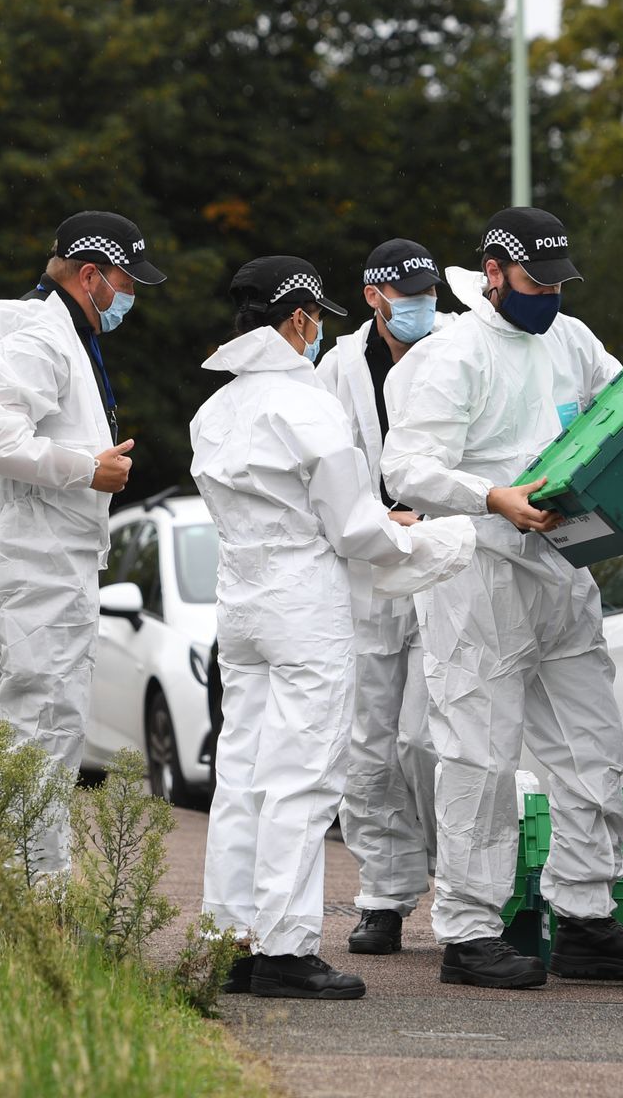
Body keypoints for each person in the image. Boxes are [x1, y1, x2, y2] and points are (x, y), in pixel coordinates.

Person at [381, 207, 623, 988]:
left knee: (593, 749)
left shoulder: (570, 337)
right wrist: (493, 496)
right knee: (478, 759)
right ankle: (469, 932)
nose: (548, 294)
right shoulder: (454, 355)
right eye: (533, 280)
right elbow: (407, 468)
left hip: (559, 568)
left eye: (558, 281)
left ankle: (586, 915)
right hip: (478, 575)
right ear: (493, 272)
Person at [194, 255, 473, 1000]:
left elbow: (284, 509)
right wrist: (423, 538)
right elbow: (352, 531)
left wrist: (370, 524)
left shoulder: (215, 410)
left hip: (242, 604)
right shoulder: (309, 404)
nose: (319, 335)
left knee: (243, 776)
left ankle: (232, 940)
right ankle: (287, 951)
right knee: (304, 779)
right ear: (298, 320)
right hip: (304, 610)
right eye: (315, 320)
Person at [0, 211, 165, 877]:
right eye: (127, 280)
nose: (132, 294)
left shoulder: (60, 337)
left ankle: (33, 882)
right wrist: (89, 468)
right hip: (37, 548)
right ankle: (33, 892)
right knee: (43, 722)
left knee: (52, 722)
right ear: (90, 275)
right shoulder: (41, 341)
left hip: (49, 549)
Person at [319, 238, 443, 955]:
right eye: (407, 294)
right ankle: (385, 895)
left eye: (428, 292)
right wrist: (371, 516)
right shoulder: (336, 368)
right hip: (368, 572)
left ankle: (458, 879)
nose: (423, 306)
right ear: (373, 295)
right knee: (366, 748)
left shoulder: (457, 347)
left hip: (444, 559)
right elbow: (326, 469)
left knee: (428, 738)